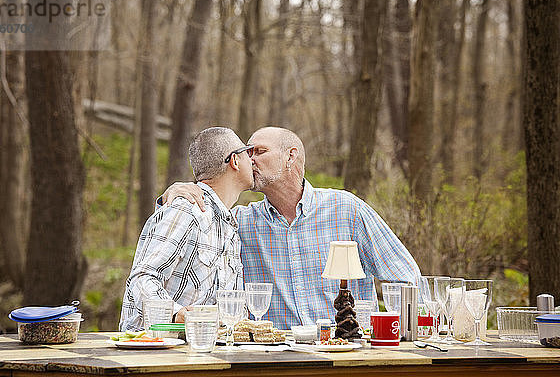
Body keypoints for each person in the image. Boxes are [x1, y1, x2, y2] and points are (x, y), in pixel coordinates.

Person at [161, 127, 421, 329]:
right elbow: (180, 233)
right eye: (247, 153)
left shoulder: (346, 210)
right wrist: (172, 196)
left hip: (343, 357)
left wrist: (388, 335)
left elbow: (407, 278)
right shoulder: (239, 222)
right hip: (274, 361)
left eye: (259, 152)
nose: (249, 160)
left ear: (290, 156)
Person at [119, 127, 254, 331]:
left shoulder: (228, 224)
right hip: (156, 350)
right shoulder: (187, 210)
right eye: (247, 152)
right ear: (234, 161)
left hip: (200, 350)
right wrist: (174, 313)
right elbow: (142, 278)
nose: (252, 160)